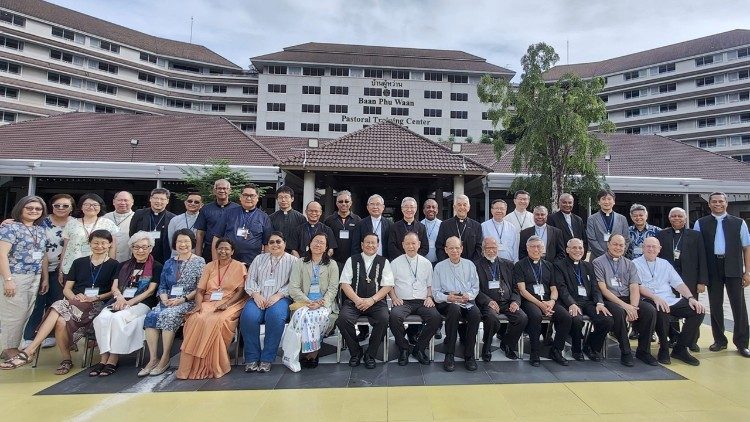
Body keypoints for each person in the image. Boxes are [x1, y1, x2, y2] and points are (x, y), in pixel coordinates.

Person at [2, 230, 117, 374]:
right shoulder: (79, 262)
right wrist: (75, 298)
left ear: (110, 244)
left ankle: (28, 352)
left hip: (97, 306)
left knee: (57, 305)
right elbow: (67, 289)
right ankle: (66, 359)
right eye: (96, 243)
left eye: (103, 243)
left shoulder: (114, 265)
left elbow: (114, 291)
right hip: (75, 302)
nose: (99, 246)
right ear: (89, 243)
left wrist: (96, 297)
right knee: (60, 321)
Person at [91, 231, 163, 376]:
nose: (140, 250)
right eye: (136, 247)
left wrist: (129, 302)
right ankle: (103, 357)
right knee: (101, 319)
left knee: (118, 318)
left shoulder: (156, 266)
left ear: (150, 248)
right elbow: (114, 287)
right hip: (119, 300)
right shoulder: (123, 265)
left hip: (142, 303)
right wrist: (120, 299)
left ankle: (113, 358)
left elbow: (150, 291)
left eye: (144, 247)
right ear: (131, 248)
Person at [177, 237, 248, 379]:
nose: (223, 251)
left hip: (230, 302)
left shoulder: (239, 266)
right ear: (216, 250)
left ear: (232, 251)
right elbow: (200, 290)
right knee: (195, 318)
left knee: (217, 321)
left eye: (227, 248)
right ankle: (190, 368)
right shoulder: (209, 266)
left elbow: (240, 291)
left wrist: (226, 304)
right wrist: (198, 305)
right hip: (209, 302)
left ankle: (214, 364)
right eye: (220, 248)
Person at [141, 229, 205, 376]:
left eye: (186, 241)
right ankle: (153, 359)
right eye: (180, 241)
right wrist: (164, 298)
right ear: (175, 244)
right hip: (167, 300)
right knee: (151, 316)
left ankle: (165, 358)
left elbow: (200, 287)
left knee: (169, 316)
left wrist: (182, 299)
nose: (183, 244)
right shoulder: (169, 262)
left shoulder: (199, 262)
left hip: (187, 300)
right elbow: (162, 285)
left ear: (192, 243)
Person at [694, 192, 750, 357]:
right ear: (709, 204)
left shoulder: (739, 223)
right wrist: (701, 276)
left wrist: (748, 272)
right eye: (714, 202)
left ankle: (742, 343)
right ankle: (719, 340)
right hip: (712, 268)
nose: (718, 204)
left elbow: (747, 248)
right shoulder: (700, 223)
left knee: (739, 306)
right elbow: (698, 250)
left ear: (726, 203)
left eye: (721, 201)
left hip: (733, 267)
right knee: (716, 305)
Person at [633, 237, 705, 366]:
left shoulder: (664, 263)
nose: (651, 249)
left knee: (698, 311)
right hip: (649, 299)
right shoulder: (635, 263)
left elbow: (678, 284)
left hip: (669, 299)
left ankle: (680, 348)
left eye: (654, 247)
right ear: (642, 248)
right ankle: (664, 349)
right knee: (661, 311)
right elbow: (638, 286)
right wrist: (655, 298)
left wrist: (691, 298)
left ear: (659, 249)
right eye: (648, 246)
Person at [593, 234, 658, 366]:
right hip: (610, 299)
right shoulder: (598, 262)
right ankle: (626, 352)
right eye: (615, 244)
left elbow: (634, 287)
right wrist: (625, 307)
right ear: (608, 245)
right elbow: (603, 289)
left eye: (621, 245)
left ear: (625, 246)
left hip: (628, 298)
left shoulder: (629, 264)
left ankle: (643, 351)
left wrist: (633, 307)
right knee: (618, 313)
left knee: (649, 310)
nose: (618, 247)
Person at [0, 196, 49, 362]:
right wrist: (8, 279)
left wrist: (44, 278)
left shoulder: (40, 230)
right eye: (30, 208)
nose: (34, 211)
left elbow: (43, 256)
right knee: (13, 313)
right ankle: (8, 348)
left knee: (26, 312)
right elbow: (2, 254)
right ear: (20, 208)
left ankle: (14, 345)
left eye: (38, 209)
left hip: (34, 276)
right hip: (15, 275)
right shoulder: (10, 228)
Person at [240, 231, 296, 373]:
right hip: (258, 297)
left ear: (285, 244)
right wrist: (256, 294)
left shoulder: (293, 261)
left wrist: (278, 295)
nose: (275, 244)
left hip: (280, 298)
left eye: (278, 241)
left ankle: (267, 359)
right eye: (271, 242)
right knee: (248, 317)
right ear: (267, 245)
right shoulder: (259, 259)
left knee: (275, 317)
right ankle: (252, 358)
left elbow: (294, 283)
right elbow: (251, 278)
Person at [22, 194, 73, 350]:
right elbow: (23, 224)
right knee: (37, 304)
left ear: (72, 208)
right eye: (57, 205)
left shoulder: (75, 224)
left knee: (55, 304)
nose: (61, 208)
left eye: (65, 206)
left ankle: (49, 336)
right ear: (51, 206)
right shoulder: (41, 221)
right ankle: (29, 336)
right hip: (39, 268)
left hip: (63, 270)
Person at [337, 233, 394, 369]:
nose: (370, 245)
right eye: (367, 242)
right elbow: (344, 284)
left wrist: (372, 300)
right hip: (353, 301)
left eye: (373, 243)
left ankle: (371, 354)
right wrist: (357, 300)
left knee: (384, 319)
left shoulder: (384, 261)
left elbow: (387, 286)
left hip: (376, 302)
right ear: (362, 245)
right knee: (343, 319)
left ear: (378, 245)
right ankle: (356, 352)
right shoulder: (352, 260)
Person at [514, 236, 572, 367]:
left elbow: (554, 288)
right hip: (530, 300)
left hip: (548, 300)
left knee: (566, 317)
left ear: (543, 249)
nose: (536, 249)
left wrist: (551, 301)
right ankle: (535, 352)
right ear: (527, 248)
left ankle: (556, 350)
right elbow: (522, 290)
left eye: (539, 247)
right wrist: (540, 304)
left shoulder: (549, 265)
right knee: (535, 316)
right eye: (533, 247)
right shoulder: (520, 265)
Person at [555, 238, 613, 362]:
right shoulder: (559, 266)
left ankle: (591, 347)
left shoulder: (588, 266)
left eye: (580, 248)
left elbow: (595, 287)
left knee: (607, 320)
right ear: (567, 250)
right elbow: (562, 288)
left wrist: (599, 302)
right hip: (570, 302)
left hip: (588, 302)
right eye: (574, 248)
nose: (578, 250)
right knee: (576, 319)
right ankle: (576, 350)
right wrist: (571, 303)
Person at [657, 207, 707, 351]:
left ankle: (691, 340)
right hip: (668, 279)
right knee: (671, 309)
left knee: (693, 308)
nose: (677, 218)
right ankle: (673, 337)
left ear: (685, 219)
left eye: (680, 216)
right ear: (669, 218)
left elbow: (702, 258)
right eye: (673, 216)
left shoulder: (695, 235)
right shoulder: (662, 234)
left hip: (690, 278)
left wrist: (702, 281)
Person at [388, 232, 441, 366]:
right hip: (403, 301)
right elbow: (389, 285)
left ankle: (419, 349)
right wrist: (394, 298)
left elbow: (430, 285)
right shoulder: (395, 263)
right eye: (408, 243)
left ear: (419, 245)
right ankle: (404, 349)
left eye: (413, 243)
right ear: (403, 245)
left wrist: (429, 297)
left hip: (422, 301)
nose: (411, 246)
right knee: (394, 317)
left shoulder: (426, 263)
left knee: (435, 318)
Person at [289, 233, 340, 368]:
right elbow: (293, 287)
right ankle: (311, 350)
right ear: (309, 244)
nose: (318, 245)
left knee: (319, 316)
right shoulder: (300, 262)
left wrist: (320, 302)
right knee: (303, 316)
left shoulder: (332, 264)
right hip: (303, 301)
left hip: (324, 302)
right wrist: (308, 302)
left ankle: (312, 352)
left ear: (326, 247)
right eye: (315, 241)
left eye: (322, 243)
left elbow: (333, 288)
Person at [474, 237, 527, 361]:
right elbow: (475, 289)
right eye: (488, 248)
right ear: (483, 249)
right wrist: (488, 301)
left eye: (493, 248)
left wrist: (515, 301)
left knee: (522, 318)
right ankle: (486, 347)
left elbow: (515, 287)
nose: (491, 250)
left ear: (498, 249)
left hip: (507, 302)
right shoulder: (476, 265)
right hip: (488, 303)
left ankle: (508, 344)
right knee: (492, 319)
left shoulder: (508, 264)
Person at [433, 236, 480, 371]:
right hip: (447, 302)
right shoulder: (439, 267)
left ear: (462, 249)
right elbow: (436, 294)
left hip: (466, 300)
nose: (454, 251)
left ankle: (469, 355)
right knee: (454, 310)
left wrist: (468, 295)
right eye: (451, 248)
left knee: (476, 313)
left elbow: (475, 288)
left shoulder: (470, 265)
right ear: (446, 250)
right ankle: (450, 354)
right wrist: (449, 298)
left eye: (457, 247)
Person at [59, 193, 118, 285]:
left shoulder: (108, 224)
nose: (91, 207)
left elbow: (112, 247)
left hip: (99, 267)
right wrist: (60, 270)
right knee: (72, 295)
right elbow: (66, 247)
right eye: (87, 204)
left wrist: (110, 266)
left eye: (95, 205)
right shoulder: (71, 224)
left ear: (100, 207)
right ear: (81, 207)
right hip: (71, 266)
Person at [214, 184, 272, 266]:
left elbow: (267, 244)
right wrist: (216, 263)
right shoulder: (228, 213)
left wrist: (266, 265)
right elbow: (216, 237)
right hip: (228, 262)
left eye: (252, 195)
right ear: (240, 197)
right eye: (245, 195)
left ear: (257, 198)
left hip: (253, 263)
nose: (248, 198)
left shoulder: (264, 217)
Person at [195, 179, 240, 262]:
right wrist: (198, 257)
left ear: (229, 191)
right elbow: (200, 233)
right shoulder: (206, 209)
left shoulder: (237, 209)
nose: (222, 191)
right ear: (214, 191)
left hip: (231, 251)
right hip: (209, 250)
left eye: (224, 188)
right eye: (219, 188)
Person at [129, 188, 175, 264]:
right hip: (141, 254)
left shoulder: (172, 218)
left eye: (162, 199)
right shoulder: (139, 214)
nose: (158, 201)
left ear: (167, 201)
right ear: (150, 199)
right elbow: (132, 233)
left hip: (163, 257)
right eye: (156, 198)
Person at [435, 194, 483, 262]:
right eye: (459, 205)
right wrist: (447, 263)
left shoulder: (476, 226)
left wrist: (471, 264)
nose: (462, 207)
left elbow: (479, 248)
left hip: (470, 266)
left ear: (469, 207)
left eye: (464, 205)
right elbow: (439, 247)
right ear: (454, 207)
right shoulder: (445, 225)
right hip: (449, 265)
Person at [586, 190, 629, 260]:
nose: (606, 202)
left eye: (609, 199)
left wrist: (618, 253)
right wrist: (605, 256)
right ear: (599, 202)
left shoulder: (622, 219)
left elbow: (626, 239)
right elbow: (591, 239)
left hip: (618, 258)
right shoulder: (592, 219)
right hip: (597, 258)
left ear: (614, 201)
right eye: (603, 199)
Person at [324, 190, 361, 271]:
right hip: (333, 261)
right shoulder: (329, 220)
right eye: (340, 201)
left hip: (352, 261)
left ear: (351, 203)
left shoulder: (357, 220)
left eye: (346, 201)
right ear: (337, 203)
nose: (343, 204)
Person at [351, 194, 391, 259]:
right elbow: (355, 246)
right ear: (367, 207)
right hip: (364, 260)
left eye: (378, 204)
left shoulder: (389, 224)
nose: (375, 207)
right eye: (372, 204)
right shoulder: (360, 224)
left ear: (383, 207)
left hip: (384, 260)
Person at [269, 185, 306, 253]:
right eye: (280, 197)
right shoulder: (271, 218)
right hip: (276, 252)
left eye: (286, 197)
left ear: (292, 199)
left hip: (295, 253)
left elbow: (303, 238)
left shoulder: (301, 218)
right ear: (277, 199)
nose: (283, 200)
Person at [167, 192, 203, 257]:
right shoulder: (175, 220)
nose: (192, 203)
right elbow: (171, 242)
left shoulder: (204, 221)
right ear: (185, 203)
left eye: (196, 202)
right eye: (190, 201)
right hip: (177, 257)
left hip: (196, 259)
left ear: (201, 205)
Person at [103, 191, 135, 263]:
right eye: (120, 200)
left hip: (128, 261)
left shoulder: (137, 218)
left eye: (126, 200)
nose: (123, 203)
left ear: (132, 202)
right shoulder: (105, 218)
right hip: (106, 261)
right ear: (114, 202)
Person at [420, 198, 442, 265]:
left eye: (433, 207)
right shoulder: (419, 225)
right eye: (428, 207)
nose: (431, 209)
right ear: (424, 210)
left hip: (438, 262)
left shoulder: (442, 225)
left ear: (437, 210)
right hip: (422, 262)